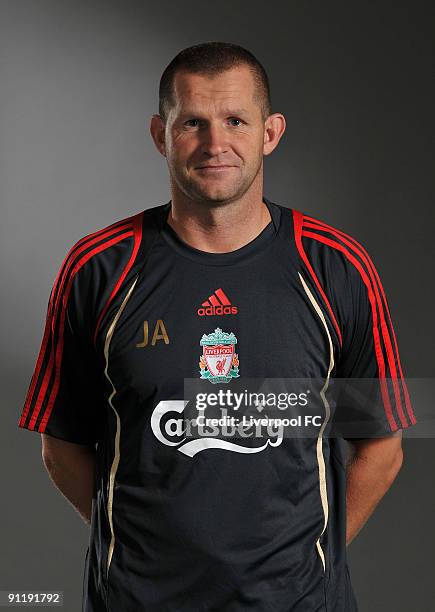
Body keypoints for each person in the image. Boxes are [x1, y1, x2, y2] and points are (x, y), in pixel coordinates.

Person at [18, 41, 417, 611]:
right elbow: (62, 445)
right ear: (161, 135)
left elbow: (383, 445)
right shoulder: (99, 268)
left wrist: (308, 562)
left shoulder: (336, 267)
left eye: (235, 120)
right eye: (192, 124)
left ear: (270, 132)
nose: (215, 144)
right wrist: (139, 550)